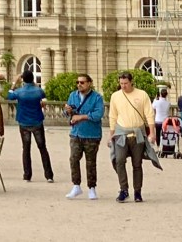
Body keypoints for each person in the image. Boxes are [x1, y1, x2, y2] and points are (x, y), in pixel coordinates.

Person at [107, 71, 160, 203]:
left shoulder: (142, 94)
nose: (123, 86)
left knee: (137, 163)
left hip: (137, 134)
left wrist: (152, 132)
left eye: (125, 83)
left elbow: (149, 114)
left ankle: (137, 191)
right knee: (119, 161)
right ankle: (124, 189)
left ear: (131, 82)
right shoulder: (115, 96)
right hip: (121, 133)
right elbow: (112, 116)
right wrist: (111, 134)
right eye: (121, 83)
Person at [7, 69, 54, 183]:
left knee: (26, 149)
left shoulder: (19, 91)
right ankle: (49, 175)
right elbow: (43, 98)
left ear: (23, 79)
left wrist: (14, 82)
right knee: (42, 148)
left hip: (24, 122)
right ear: (33, 78)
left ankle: (27, 175)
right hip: (37, 121)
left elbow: (9, 96)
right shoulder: (39, 91)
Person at [64, 73, 104, 200]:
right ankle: (76, 185)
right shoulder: (73, 95)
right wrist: (67, 111)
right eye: (77, 82)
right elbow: (67, 113)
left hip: (92, 134)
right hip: (76, 133)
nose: (79, 85)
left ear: (89, 83)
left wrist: (81, 117)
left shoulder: (97, 97)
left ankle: (92, 187)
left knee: (90, 162)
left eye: (82, 82)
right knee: (73, 159)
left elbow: (98, 114)